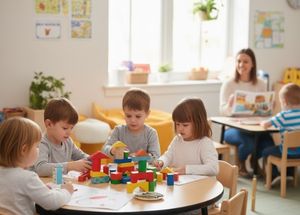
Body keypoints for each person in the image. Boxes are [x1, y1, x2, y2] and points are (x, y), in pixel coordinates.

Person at [0, 117, 74, 215]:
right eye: (37, 146)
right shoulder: (27, 178)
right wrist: (67, 191)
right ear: (24, 150)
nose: (39, 150)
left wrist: (41, 188)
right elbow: (52, 203)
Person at [219, 48, 274, 176]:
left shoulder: (261, 83)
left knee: (268, 143)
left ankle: (255, 161)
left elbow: (264, 112)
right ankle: (241, 162)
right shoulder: (228, 84)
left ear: (252, 64)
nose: (241, 65)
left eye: (245, 61)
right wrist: (229, 105)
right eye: (238, 61)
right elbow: (222, 111)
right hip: (234, 128)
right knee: (248, 143)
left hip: (255, 126)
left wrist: (269, 107)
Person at [153, 98, 218, 176]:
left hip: (200, 186)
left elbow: (213, 168)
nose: (180, 128)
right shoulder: (177, 140)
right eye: (177, 124)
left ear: (198, 123)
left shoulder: (204, 143)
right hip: (181, 184)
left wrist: (187, 169)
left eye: (185, 125)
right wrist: (161, 162)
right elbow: (168, 156)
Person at [34, 98, 91, 177]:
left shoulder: (68, 141)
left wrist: (92, 159)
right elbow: (40, 169)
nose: (69, 132)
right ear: (49, 124)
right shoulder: (42, 143)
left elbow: (81, 156)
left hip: (60, 185)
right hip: (45, 185)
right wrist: (69, 166)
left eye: (71, 128)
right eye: (65, 128)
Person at [102, 88, 160, 159]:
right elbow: (104, 150)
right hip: (121, 168)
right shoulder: (118, 131)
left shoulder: (151, 133)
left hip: (142, 169)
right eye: (128, 116)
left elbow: (156, 157)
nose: (133, 120)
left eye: (138, 116)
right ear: (124, 113)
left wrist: (137, 157)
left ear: (147, 114)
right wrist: (112, 150)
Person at [261, 83, 300, 180]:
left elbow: (266, 124)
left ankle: (274, 175)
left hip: (288, 153)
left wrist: (262, 122)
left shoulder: (283, 116)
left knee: (266, 152)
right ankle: (290, 173)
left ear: (285, 102)